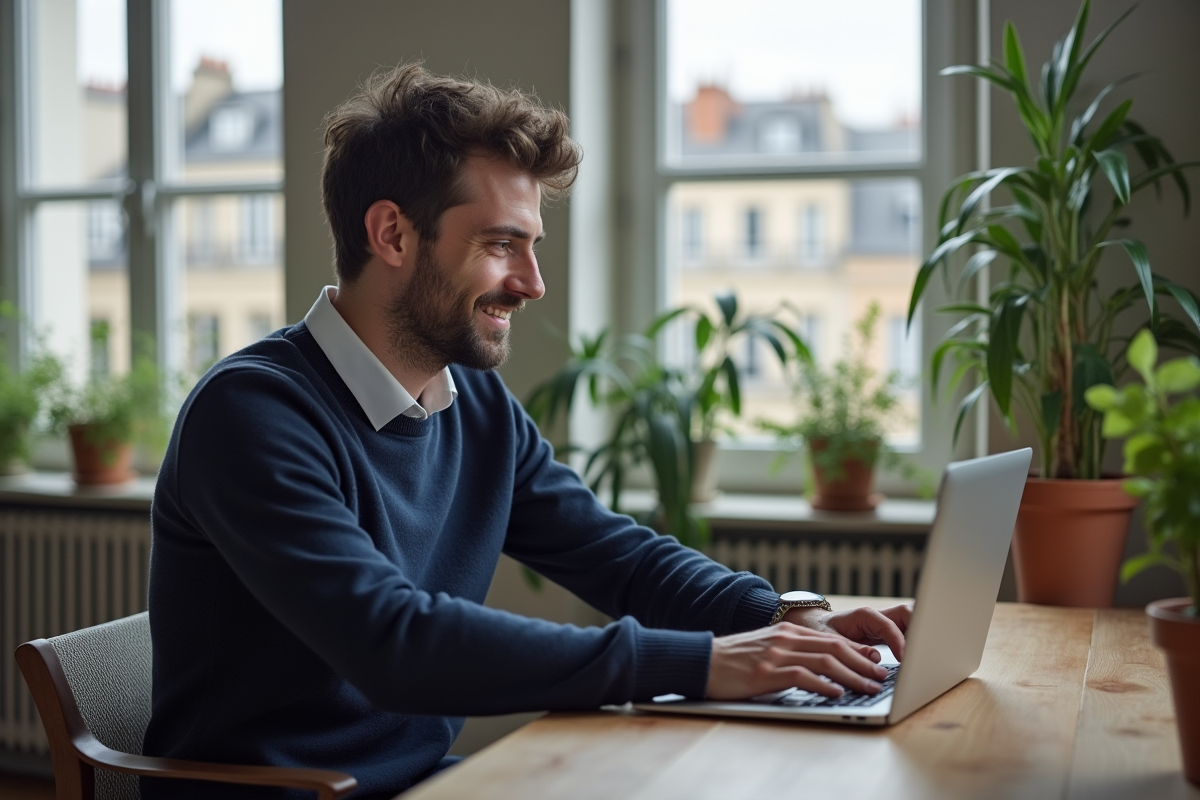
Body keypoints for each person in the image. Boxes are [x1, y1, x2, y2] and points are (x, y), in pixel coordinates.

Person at [143, 63, 911, 799]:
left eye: (531, 246)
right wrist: (707, 662)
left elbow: (615, 556)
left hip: (426, 782)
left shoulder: (472, 402)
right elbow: (394, 644)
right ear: (394, 236)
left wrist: (781, 618)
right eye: (501, 244)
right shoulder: (251, 414)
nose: (532, 283)